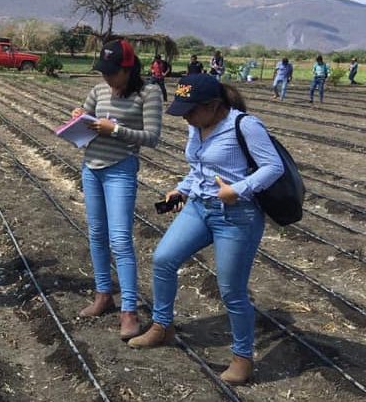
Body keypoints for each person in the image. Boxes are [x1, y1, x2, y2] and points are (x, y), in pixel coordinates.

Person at [128, 74, 283, 385]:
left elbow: (273, 167)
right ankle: (162, 326)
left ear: (213, 106)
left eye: (190, 110)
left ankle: (242, 357)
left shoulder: (245, 125)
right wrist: (181, 190)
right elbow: (199, 168)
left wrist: (238, 189)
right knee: (163, 259)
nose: (185, 116)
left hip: (237, 216)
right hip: (199, 208)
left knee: (232, 291)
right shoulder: (196, 125)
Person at [72, 39, 162, 340]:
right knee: (96, 233)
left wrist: (116, 130)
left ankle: (129, 311)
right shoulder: (98, 91)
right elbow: (85, 114)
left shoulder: (148, 93)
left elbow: (152, 137)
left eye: (112, 72)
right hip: (91, 167)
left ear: (128, 68)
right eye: (104, 72)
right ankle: (102, 294)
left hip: (121, 169)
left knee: (120, 239)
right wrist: (77, 117)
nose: (107, 78)